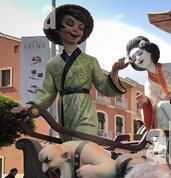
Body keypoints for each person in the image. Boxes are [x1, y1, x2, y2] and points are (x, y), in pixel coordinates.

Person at [11, 4, 128, 142]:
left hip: (86, 111)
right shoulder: (52, 64)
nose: (75, 30)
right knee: (68, 152)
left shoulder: (90, 61)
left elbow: (104, 87)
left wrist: (114, 71)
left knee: (80, 147)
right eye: (69, 23)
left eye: (80, 27)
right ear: (58, 28)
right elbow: (46, 93)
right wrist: (28, 107)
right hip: (65, 114)